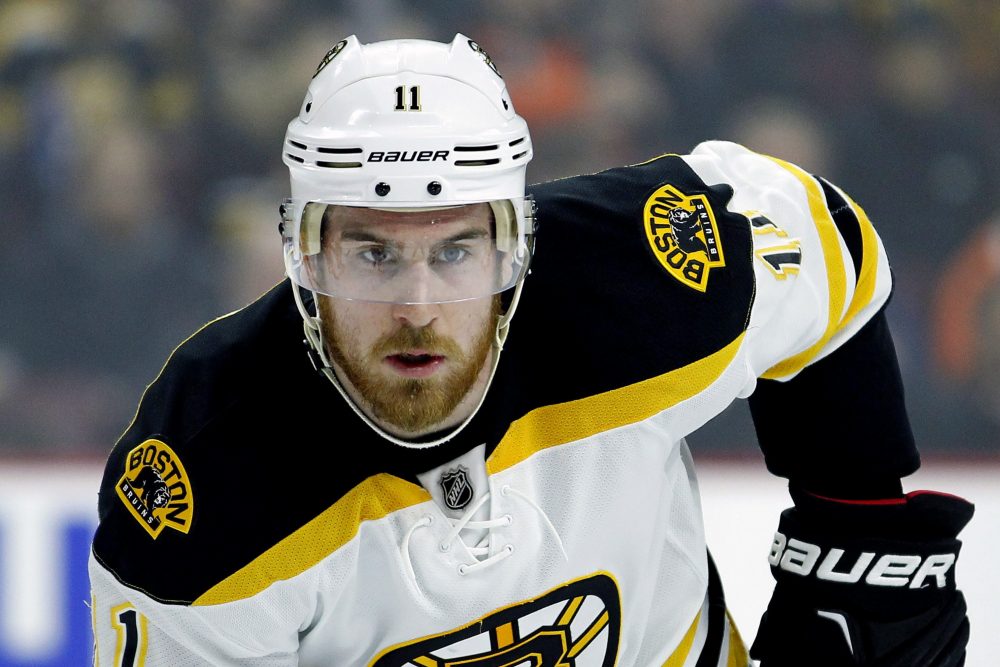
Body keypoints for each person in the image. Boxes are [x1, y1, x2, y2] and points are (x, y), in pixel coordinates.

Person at [88, 34, 974, 666]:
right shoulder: (202, 483)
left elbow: (827, 249)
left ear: (517, 247)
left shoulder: (643, 278)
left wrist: (858, 527)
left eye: (457, 250)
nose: (418, 306)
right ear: (304, 258)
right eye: (372, 253)